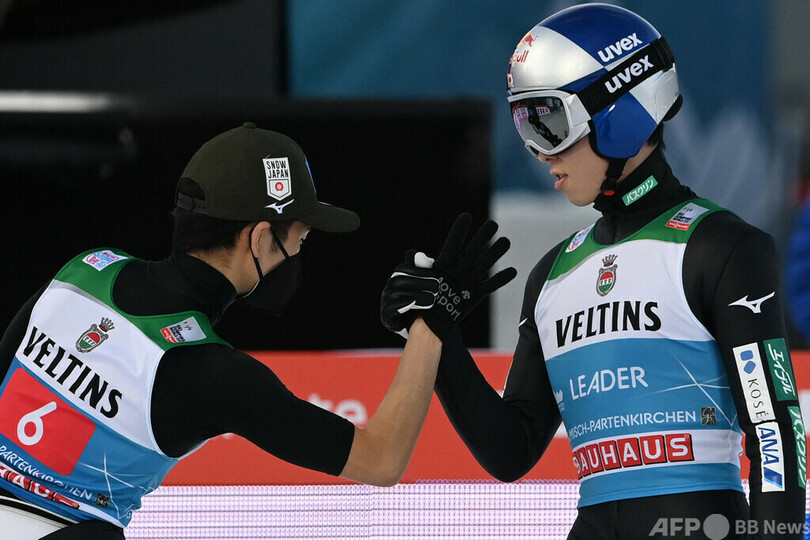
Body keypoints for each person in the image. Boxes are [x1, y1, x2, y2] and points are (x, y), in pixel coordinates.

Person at [381, 4, 806, 539]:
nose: (539, 152)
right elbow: (510, 451)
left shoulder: (722, 246)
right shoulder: (552, 274)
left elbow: (775, 432)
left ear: (619, 112)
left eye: (549, 123)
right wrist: (439, 336)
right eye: (524, 125)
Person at [0, 122, 515, 539]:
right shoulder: (212, 373)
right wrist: (432, 320)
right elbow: (382, 459)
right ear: (261, 237)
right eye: (300, 240)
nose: (297, 257)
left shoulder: (84, 270)